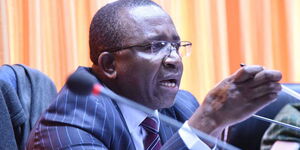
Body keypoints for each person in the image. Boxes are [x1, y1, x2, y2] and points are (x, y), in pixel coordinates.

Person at [26, 0, 282, 149]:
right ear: (109, 65)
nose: (173, 59)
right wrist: (207, 122)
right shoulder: (67, 130)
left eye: (176, 46)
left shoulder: (182, 105)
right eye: (155, 46)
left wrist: (216, 125)